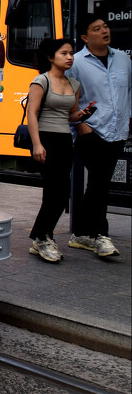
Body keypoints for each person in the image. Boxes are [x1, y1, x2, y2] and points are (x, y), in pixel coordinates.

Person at [66, 16, 131, 258]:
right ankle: (101, 236)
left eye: (105, 26)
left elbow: (129, 91)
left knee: (98, 183)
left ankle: (81, 234)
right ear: (85, 37)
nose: (104, 31)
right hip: (91, 131)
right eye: (97, 28)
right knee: (101, 182)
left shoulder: (123, 59)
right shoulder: (77, 63)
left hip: (118, 131)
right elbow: (67, 95)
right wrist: (81, 125)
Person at [26, 39, 93, 262]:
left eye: (71, 53)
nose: (70, 57)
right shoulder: (41, 81)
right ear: (50, 57)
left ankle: (42, 237)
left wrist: (82, 115)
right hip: (45, 138)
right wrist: (37, 144)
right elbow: (32, 114)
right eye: (63, 53)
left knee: (61, 192)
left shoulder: (73, 84)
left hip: (65, 140)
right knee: (54, 191)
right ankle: (43, 238)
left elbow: (70, 115)